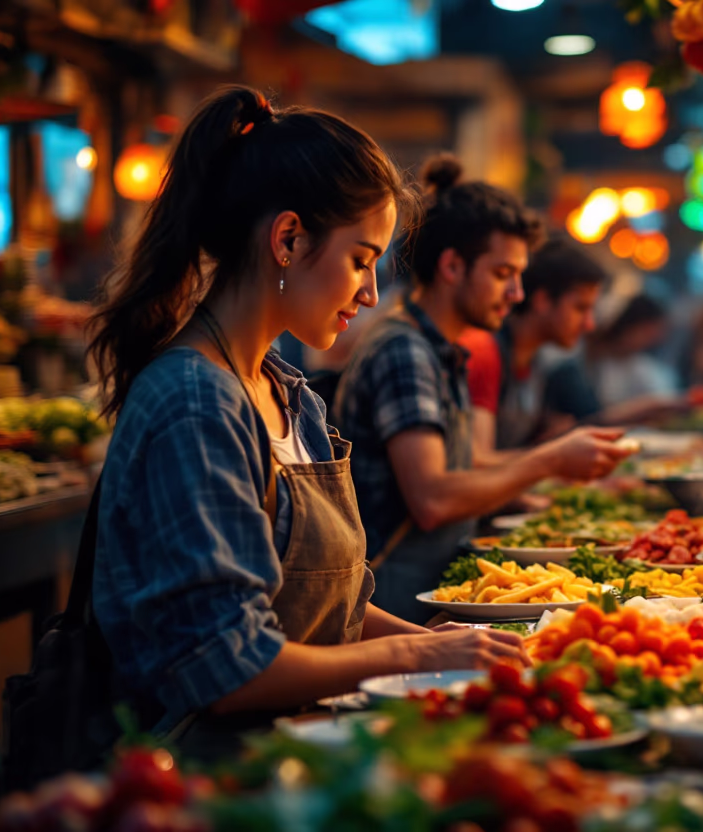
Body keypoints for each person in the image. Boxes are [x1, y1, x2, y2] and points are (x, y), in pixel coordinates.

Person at [85, 87, 528, 751]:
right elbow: (226, 668)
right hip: (210, 779)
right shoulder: (196, 403)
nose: (372, 293)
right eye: (361, 260)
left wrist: (447, 643)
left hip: (303, 753)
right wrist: (413, 660)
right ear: (288, 238)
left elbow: (335, 610)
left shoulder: (292, 395)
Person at [332, 155, 633, 620]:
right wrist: (551, 459)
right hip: (393, 601)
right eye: (502, 274)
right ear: (452, 266)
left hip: (432, 588)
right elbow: (433, 499)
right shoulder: (403, 350)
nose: (516, 294)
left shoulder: (441, 350)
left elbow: (465, 466)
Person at [458, 235, 607, 455]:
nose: (589, 324)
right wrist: (554, 454)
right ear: (542, 301)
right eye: (580, 308)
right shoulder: (485, 351)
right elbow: (475, 464)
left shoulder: (537, 361)